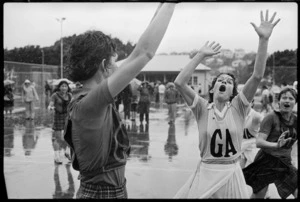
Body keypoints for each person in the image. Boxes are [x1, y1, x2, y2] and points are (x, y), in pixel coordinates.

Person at [63, 3, 175, 199]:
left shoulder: (89, 97)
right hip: (101, 194)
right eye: (114, 62)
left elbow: (138, 52)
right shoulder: (89, 102)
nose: (118, 68)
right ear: (104, 65)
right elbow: (143, 53)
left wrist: (162, 7)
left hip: (110, 190)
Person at [173, 10, 280, 198]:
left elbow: (257, 76)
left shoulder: (239, 107)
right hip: (206, 171)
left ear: (232, 92)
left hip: (231, 171)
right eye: (220, 80)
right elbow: (179, 82)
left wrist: (263, 40)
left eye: (229, 82)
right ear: (213, 89)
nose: (224, 82)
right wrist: (200, 55)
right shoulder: (201, 108)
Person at [243, 87, 298, 199]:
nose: (287, 100)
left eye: (291, 98)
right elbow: (259, 142)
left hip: (284, 163)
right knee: (259, 195)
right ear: (279, 101)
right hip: (265, 161)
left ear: (295, 102)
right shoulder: (271, 117)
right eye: (284, 98)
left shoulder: (296, 120)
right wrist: (276, 145)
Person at [48, 80, 72, 164]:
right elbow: (51, 104)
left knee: (69, 137)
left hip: (68, 117)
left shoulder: (70, 95)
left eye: (65, 86)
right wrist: (50, 107)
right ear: (59, 87)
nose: (64, 88)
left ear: (67, 87)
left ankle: (67, 152)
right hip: (58, 117)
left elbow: (73, 105)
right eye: (62, 86)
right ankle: (56, 157)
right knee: (58, 138)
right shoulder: (55, 95)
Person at [240, 100, 264, 169]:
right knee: (240, 171)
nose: (245, 104)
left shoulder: (256, 115)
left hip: (252, 145)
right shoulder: (237, 114)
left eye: (248, 101)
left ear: (252, 103)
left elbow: (266, 123)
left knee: (255, 168)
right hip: (241, 146)